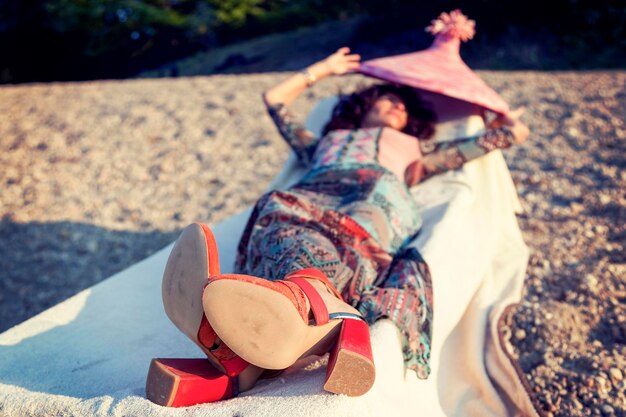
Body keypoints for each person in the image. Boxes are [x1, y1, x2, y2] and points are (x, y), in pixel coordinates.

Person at [147, 47, 529, 407]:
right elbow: (275, 101)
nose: (397, 105)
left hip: (373, 197)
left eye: (403, 106)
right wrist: (323, 70)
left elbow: (503, 138)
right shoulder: (326, 142)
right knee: (279, 211)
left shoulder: (417, 151)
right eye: (388, 98)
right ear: (365, 103)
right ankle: (287, 331)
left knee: (358, 221)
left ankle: (244, 345)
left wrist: (504, 120)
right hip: (313, 195)